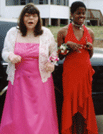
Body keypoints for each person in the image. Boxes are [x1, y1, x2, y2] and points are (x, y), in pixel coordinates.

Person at [0, 3, 59, 134]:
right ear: (22, 18)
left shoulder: (46, 33)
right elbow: (4, 52)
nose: (30, 18)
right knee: (18, 113)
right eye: (27, 15)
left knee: (41, 113)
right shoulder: (13, 33)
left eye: (33, 16)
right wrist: (11, 56)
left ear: (38, 18)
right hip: (19, 81)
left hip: (41, 81)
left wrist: (52, 64)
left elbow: (54, 54)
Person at [57, 1, 98, 134]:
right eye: (78, 13)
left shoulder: (90, 32)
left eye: (83, 13)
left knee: (84, 103)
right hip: (70, 73)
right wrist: (67, 45)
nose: (81, 16)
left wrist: (90, 48)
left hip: (85, 72)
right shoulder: (62, 32)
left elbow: (90, 55)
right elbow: (59, 56)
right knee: (70, 103)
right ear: (72, 14)